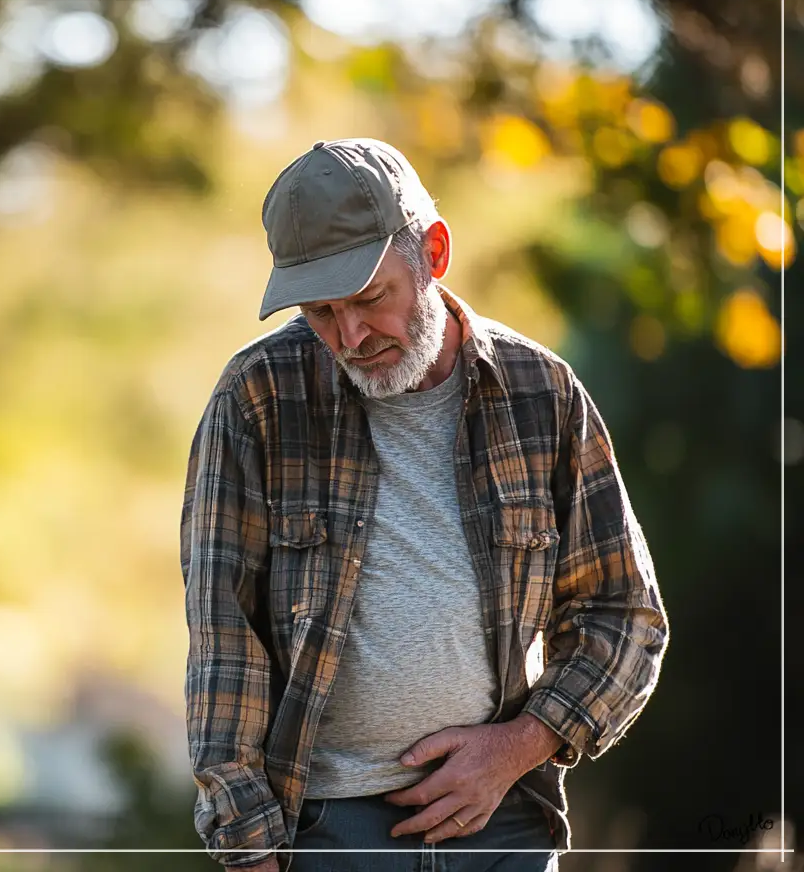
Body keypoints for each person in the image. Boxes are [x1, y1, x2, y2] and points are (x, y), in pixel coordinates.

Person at [180, 138, 670, 872]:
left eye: (371, 299)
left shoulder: (543, 395)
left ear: (434, 253)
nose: (349, 336)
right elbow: (224, 640)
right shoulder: (257, 398)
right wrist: (250, 850)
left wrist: (520, 746)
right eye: (321, 311)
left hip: (502, 827)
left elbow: (624, 614)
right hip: (323, 835)